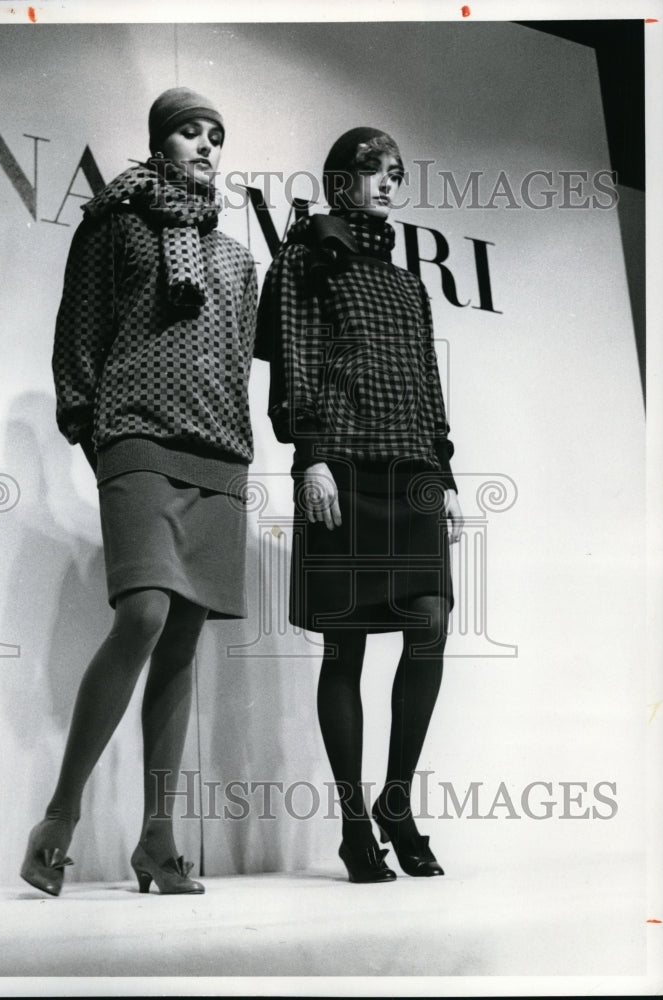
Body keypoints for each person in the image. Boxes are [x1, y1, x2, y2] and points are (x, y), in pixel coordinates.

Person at [20, 87, 258, 897]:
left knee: (183, 641)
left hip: (217, 449)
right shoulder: (113, 223)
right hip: (136, 433)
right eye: (190, 131)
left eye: (215, 135)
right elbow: (78, 336)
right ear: (160, 141)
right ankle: (60, 816)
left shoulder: (235, 257)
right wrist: (95, 435)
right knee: (145, 613)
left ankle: (158, 841)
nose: (205, 145)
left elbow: (234, 356)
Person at [255, 127, 464, 884]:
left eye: (395, 173)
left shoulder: (407, 283)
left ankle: (396, 803)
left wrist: (441, 470)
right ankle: (352, 827)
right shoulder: (303, 259)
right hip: (341, 460)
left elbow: (427, 382)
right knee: (345, 646)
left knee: (429, 623)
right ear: (340, 182)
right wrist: (308, 456)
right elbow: (296, 361)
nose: (386, 183)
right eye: (371, 171)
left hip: (409, 465)